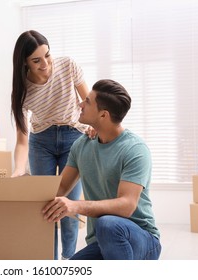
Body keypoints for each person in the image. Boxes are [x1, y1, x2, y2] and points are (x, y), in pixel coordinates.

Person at [42, 79, 162, 260]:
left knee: (108, 225)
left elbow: (127, 206)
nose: (80, 103)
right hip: (101, 241)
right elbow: (60, 187)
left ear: (103, 115)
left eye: (88, 101)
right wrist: (25, 189)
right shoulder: (81, 145)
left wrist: (75, 206)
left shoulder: (135, 149)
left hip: (141, 240)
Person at [10, 30, 91, 260]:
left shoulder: (68, 66)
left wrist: (94, 126)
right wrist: (18, 169)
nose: (45, 64)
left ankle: (69, 261)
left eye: (47, 55)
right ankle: (50, 263)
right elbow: (22, 139)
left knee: (68, 206)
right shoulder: (22, 89)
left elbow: (89, 102)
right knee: (45, 208)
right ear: (24, 62)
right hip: (41, 143)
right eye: (36, 60)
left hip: (74, 137)